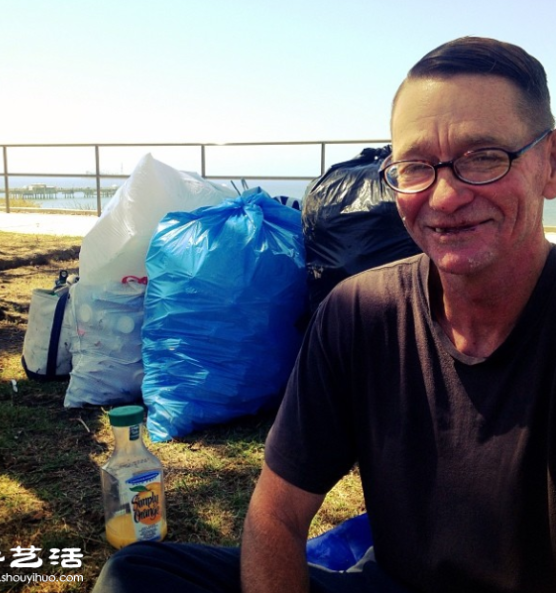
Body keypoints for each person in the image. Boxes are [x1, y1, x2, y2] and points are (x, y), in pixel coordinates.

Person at [92, 36, 556, 593]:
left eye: (484, 156)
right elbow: (276, 515)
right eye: (414, 166)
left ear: (550, 165)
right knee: (140, 574)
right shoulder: (362, 313)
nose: (445, 195)